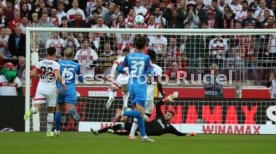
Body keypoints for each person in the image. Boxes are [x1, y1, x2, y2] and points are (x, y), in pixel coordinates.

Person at [116, 38, 154, 142]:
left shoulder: (128, 56)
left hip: (131, 85)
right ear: (145, 47)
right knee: (141, 114)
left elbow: (119, 69)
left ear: (135, 46)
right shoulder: (146, 57)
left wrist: (125, 72)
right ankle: (123, 113)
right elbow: (151, 71)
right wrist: (149, 74)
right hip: (140, 86)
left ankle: (144, 136)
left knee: (139, 113)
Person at [91, 100, 196, 137]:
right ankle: (99, 131)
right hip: (140, 126)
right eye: (167, 113)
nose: (167, 115)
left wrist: (189, 134)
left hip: (142, 133)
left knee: (132, 134)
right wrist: (166, 99)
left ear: (172, 117)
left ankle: (112, 132)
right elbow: (158, 105)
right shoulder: (159, 116)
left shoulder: (169, 127)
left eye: (169, 115)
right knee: (120, 126)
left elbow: (179, 134)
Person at [24, 47, 66, 137]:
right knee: (50, 110)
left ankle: (31, 110)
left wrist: (40, 74)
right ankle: (48, 132)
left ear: (47, 53)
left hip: (40, 87)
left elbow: (32, 74)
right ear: (55, 54)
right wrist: (63, 85)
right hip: (51, 88)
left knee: (37, 107)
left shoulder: (41, 62)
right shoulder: (55, 64)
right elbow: (58, 76)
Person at [128, 49, 165, 140]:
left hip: (141, 93)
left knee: (146, 115)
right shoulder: (156, 67)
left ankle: (136, 134)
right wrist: (162, 92)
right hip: (147, 95)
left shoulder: (139, 66)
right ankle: (132, 133)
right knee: (144, 115)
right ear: (154, 58)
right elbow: (159, 82)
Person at [55, 48, 83, 136]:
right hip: (70, 89)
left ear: (64, 54)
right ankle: (72, 112)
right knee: (70, 108)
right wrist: (80, 75)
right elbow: (81, 79)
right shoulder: (76, 65)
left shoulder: (58, 63)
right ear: (72, 55)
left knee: (59, 109)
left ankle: (57, 130)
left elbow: (55, 76)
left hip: (60, 88)